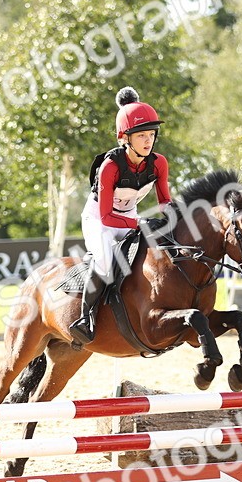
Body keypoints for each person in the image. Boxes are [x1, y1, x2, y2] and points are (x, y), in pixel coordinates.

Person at [68, 87, 172, 344]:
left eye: (151, 135)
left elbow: (164, 201)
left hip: (129, 216)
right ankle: (85, 318)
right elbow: (106, 217)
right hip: (99, 220)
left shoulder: (159, 163)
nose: (148, 141)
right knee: (104, 262)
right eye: (141, 136)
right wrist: (139, 223)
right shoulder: (110, 167)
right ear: (124, 137)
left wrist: (174, 218)